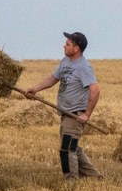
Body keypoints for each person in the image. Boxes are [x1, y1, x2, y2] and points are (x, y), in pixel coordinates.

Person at [25, 31, 103, 181]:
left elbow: (95, 89)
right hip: (66, 112)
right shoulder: (65, 62)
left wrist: (86, 114)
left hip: (75, 114)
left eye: (67, 44)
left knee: (66, 149)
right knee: (73, 147)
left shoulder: (83, 67)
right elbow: (53, 78)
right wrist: (35, 89)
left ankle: (71, 181)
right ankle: (94, 176)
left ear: (76, 48)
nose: (64, 46)